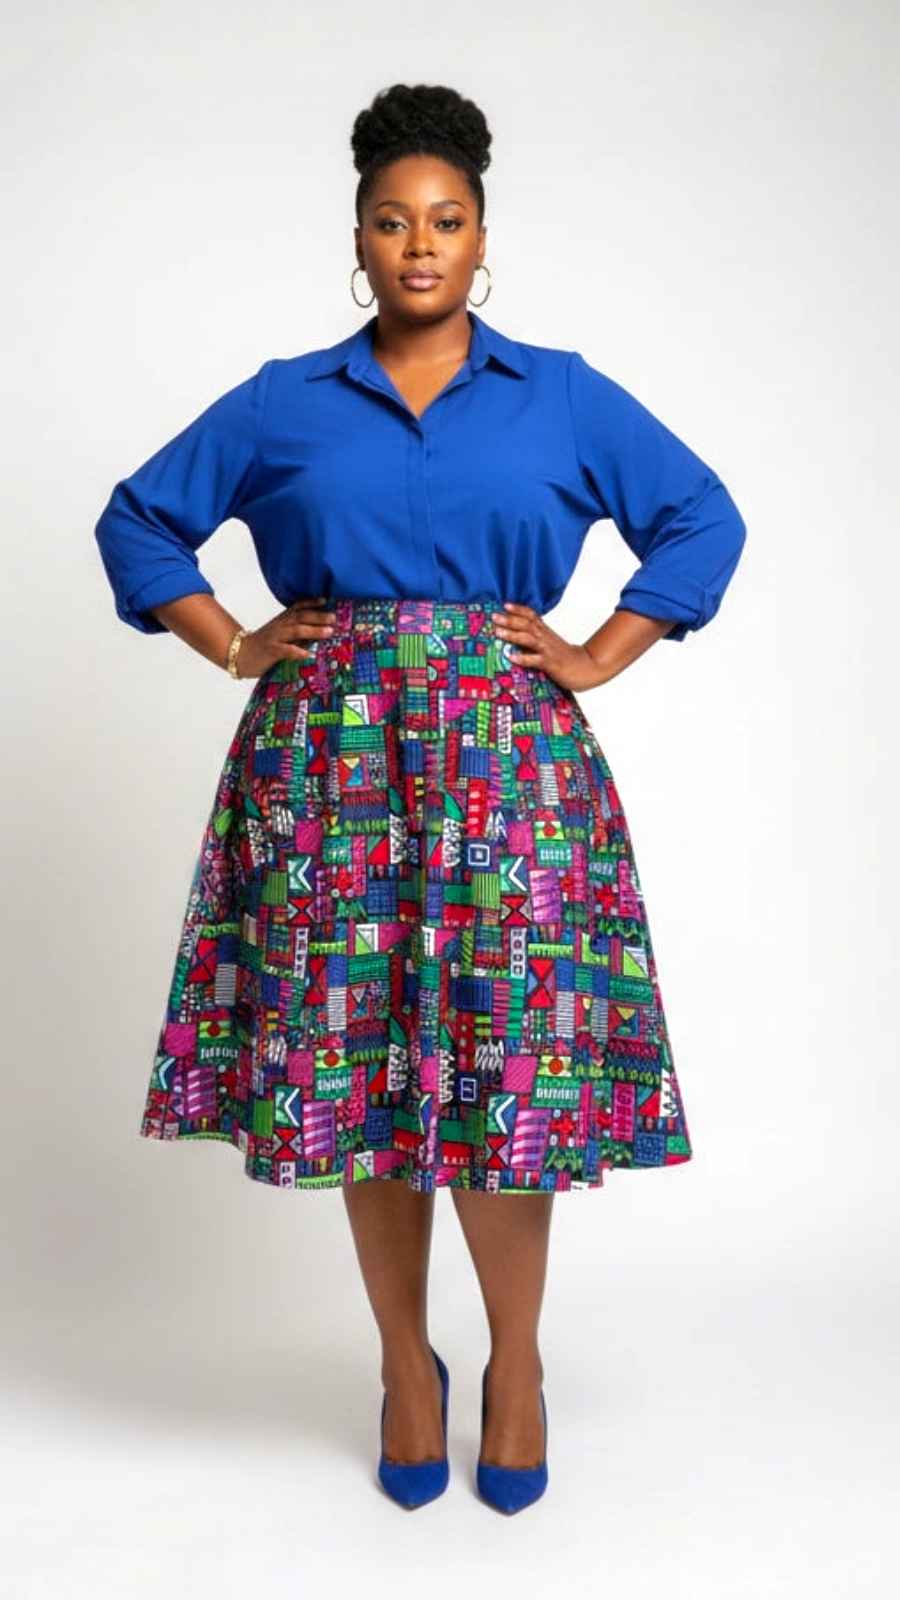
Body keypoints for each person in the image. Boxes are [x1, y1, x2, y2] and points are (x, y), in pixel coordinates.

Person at [94, 82, 746, 1515]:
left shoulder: (560, 393)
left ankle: (514, 1366)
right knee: (357, 1071)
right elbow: (138, 519)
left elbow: (703, 516)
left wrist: (598, 654)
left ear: (483, 239)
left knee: (510, 1071)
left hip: (511, 771)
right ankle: (404, 1362)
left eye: (446, 221)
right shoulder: (285, 399)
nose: (420, 245)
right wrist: (235, 641)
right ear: (358, 242)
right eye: (392, 222)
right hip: (326, 770)